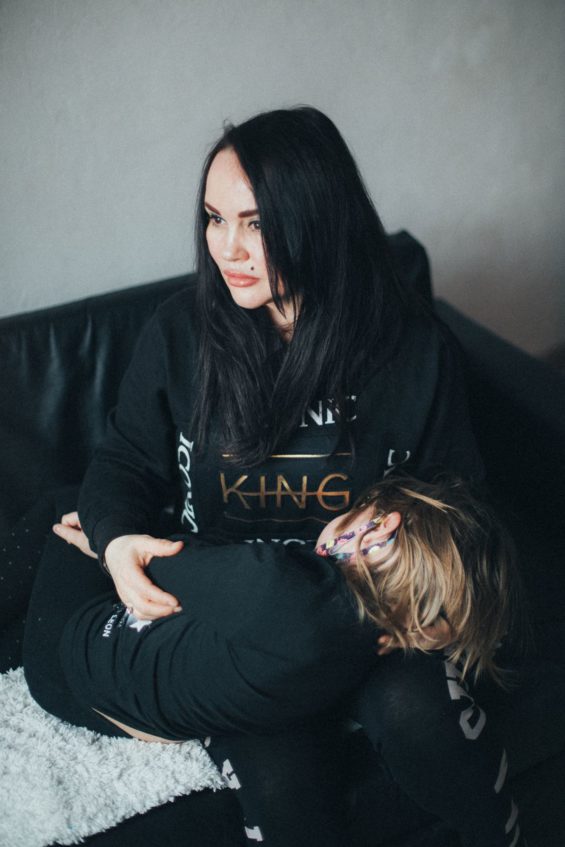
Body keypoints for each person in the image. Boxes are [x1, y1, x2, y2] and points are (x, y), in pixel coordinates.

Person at [24, 107, 526, 846]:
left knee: (417, 713)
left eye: (256, 224)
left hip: (365, 616)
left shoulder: (410, 349)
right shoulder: (182, 333)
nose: (228, 248)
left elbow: (457, 504)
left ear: (319, 221)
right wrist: (119, 539)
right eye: (214, 218)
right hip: (231, 621)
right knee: (287, 781)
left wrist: (441, 595)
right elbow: (124, 461)